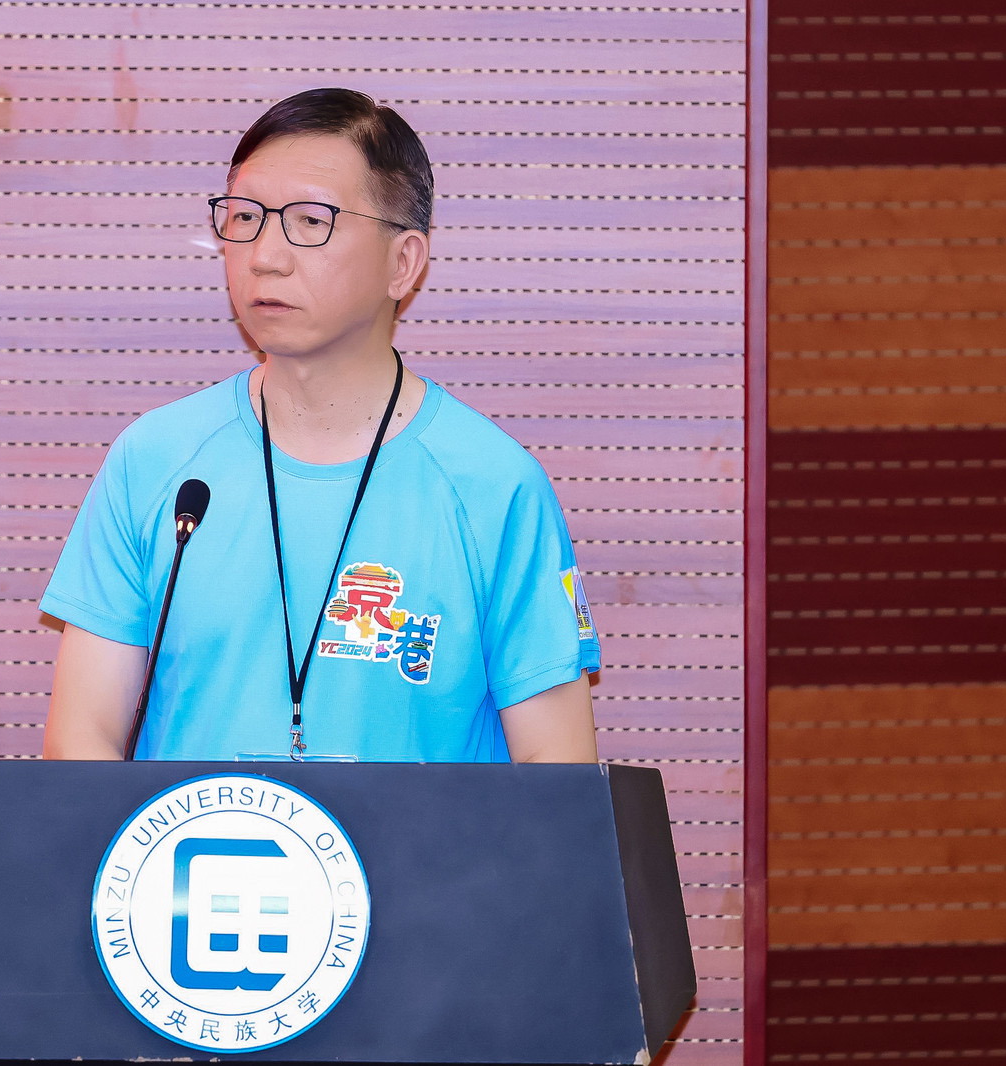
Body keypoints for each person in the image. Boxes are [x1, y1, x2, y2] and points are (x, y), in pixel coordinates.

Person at [39, 88, 601, 763]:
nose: (265, 256)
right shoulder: (157, 463)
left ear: (404, 263)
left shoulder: (493, 487)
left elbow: (554, 769)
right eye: (245, 218)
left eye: (310, 221)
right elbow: (82, 742)